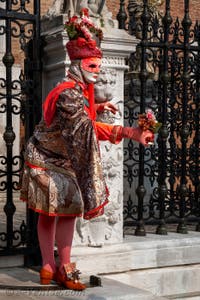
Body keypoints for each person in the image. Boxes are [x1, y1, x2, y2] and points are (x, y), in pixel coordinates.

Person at [20, 8, 154, 291]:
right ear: (78, 66)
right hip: (44, 159)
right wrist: (129, 132)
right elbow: (84, 127)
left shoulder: (73, 90)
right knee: (50, 211)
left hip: (61, 157)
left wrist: (95, 107)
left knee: (68, 209)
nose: (98, 73)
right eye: (92, 67)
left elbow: (75, 118)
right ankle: (48, 266)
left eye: (99, 67)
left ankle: (62, 266)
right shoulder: (69, 93)